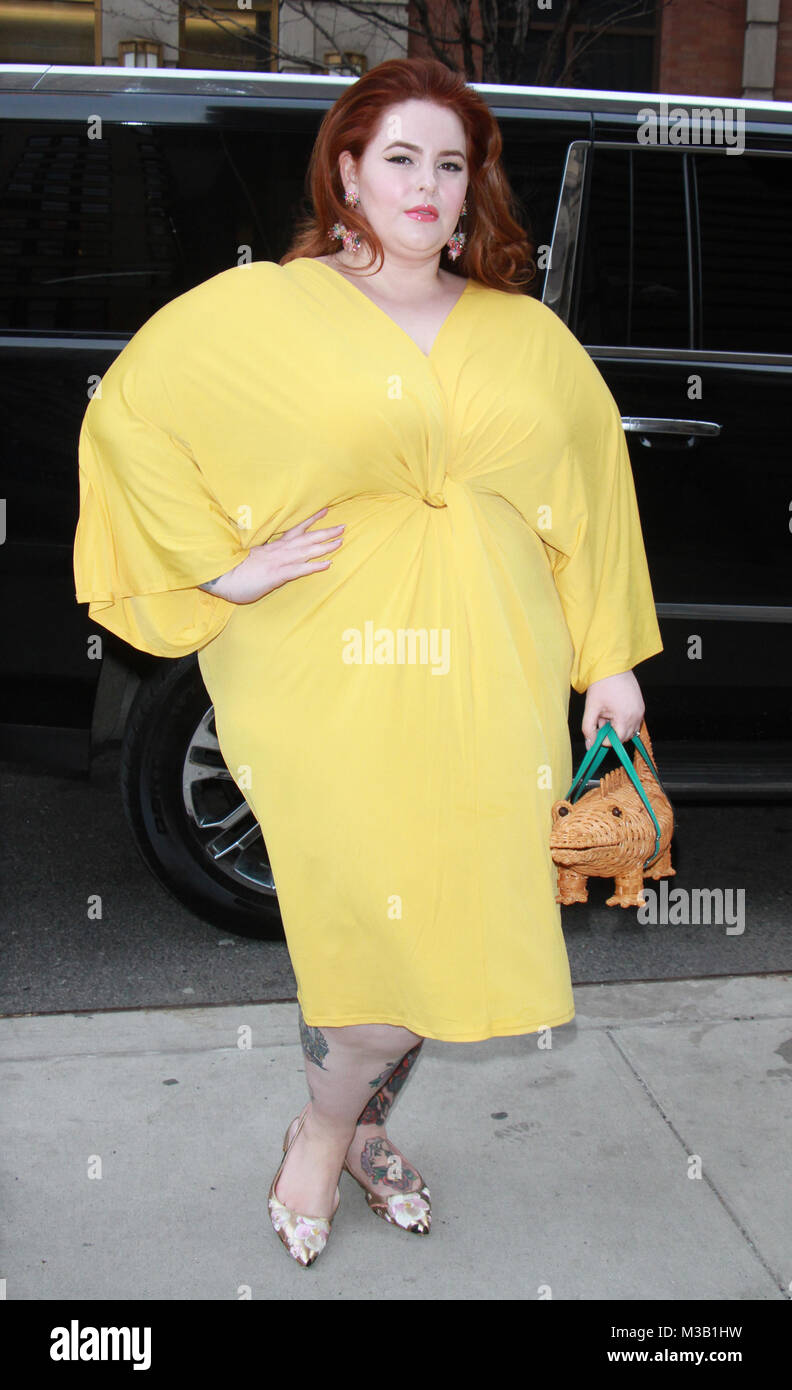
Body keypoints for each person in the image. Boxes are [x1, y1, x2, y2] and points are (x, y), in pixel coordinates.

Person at [72, 57, 663, 1269]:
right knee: (363, 933)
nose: (429, 183)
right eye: (400, 156)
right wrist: (213, 569)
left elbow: (595, 499)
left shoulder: (526, 334)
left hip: (498, 677)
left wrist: (610, 665)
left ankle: (349, 1127)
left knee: (453, 921)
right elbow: (129, 417)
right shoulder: (266, 311)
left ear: (472, 188)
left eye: (452, 164)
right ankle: (327, 1127)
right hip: (329, 676)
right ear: (346, 170)